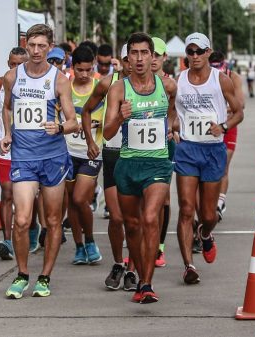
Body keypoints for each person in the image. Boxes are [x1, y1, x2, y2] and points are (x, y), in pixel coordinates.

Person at [0, 24, 78, 299]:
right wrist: (8, 133)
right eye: (31, 45)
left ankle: (45, 276)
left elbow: (73, 122)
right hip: (24, 156)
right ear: (26, 44)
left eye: (41, 46)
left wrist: (59, 127)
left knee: (53, 220)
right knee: (21, 220)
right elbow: (7, 107)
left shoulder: (59, 80)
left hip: (53, 158)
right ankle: (22, 274)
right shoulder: (12, 77)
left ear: (49, 47)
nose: (35, 51)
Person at [103, 33, 178, 304]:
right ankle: (137, 275)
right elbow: (107, 132)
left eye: (144, 53)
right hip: (127, 163)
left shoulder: (167, 86)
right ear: (127, 57)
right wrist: (120, 117)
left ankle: (146, 283)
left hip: (157, 162)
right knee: (132, 226)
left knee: (149, 218)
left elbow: (172, 113)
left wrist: (172, 128)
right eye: (133, 53)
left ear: (152, 56)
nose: (138, 58)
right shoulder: (118, 90)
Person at [175, 33, 243, 285]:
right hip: (187, 150)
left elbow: (239, 112)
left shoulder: (221, 80)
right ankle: (188, 266)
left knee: (208, 214)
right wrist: (173, 127)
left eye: (198, 51)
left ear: (207, 53)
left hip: (213, 149)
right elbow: (172, 112)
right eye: (190, 52)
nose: (194, 56)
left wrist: (223, 127)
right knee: (185, 209)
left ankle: (205, 234)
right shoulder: (178, 80)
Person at [82, 43, 137, 292]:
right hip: (114, 153)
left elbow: (171, 109)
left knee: (134, 220)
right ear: (121, 60)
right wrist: (91, 141)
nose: (130, 63)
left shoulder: (152, 84)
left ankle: (133, 270)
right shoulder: (107, 83)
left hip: (141, 155)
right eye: (126, 59)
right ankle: (118, 263)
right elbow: (86, 110)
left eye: (135, 57)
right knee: (116, 217)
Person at [0, 47, 32, 260]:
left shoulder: (33, 86)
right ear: (8, 63)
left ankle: (32, 229)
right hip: (5, 148)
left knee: (29, 197)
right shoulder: (1, 83)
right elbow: (0, 109)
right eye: (12, 64)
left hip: (27, 148)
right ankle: (7, 241)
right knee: (6, 192)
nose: (15, 68)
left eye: (20, 64)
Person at [64, 46, 104, 265]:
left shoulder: (101, 88)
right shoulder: (65, 88)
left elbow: (110, 116)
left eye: (89, 69)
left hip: (91, 151)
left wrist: (97, 124)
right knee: (72, 200)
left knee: (81, 198)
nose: (85, 74)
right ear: (73, 67)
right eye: (80, 70)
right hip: (67, 151)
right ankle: (79, 247)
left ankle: (90, 241)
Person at [209, 51, 245, 222]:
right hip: (208, 128)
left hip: (228, 126)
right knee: (209, 168)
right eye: (214, 67)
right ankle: (210, 201)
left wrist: (223, 110)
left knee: (223, 166)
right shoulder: (204, 76)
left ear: (225, 65)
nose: (217, 71)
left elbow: (241, 104)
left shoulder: (233, 77)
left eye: (220, 67)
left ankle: (220, 202)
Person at [150, 36, 176, 268]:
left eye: (158, 55)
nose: (154, 60)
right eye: (151, 54)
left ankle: (159, 246)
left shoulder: (170, 85)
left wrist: (173, 128)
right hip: (139, 146)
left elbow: (177, 112)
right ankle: (144, 241)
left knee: (164, 197)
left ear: (164, 58)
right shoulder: (133, 83)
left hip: (164, 145)